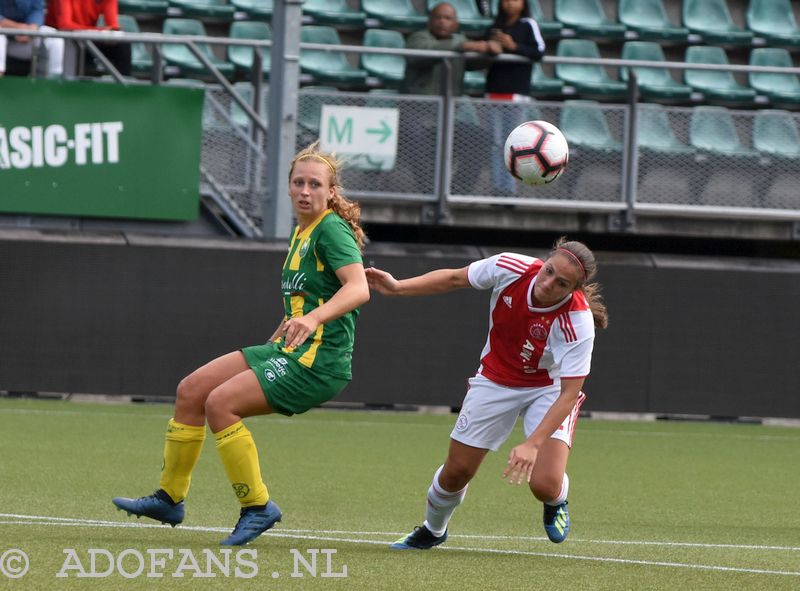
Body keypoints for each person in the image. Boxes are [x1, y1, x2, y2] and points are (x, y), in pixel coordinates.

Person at [112, 142, 370, 546]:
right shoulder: (302, 230)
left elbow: (359, 289)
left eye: (315, 184)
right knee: (191, 390)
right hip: (291, 349)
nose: (305, 190)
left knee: (220, 404)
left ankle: (257, 507)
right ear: (288, 187)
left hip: (319, 362)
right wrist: (283, 331)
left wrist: (313, 318)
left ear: (331, 192)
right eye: (298, 182)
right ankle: (169, 498)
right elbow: (307, 300)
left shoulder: (331, 229)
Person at [365, 237, 608, 549]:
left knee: (544, 484)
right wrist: (398, 286)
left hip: (548, 389)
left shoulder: (578, 320)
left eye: (561, 283)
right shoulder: (510, 266)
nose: (548, 284)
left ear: (573, 290)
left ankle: (556, 500)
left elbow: (569, 393)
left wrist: (532, 444)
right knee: (457, 472)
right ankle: (433, 530)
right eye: (548, 272)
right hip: (496, 379)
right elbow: (454, 278)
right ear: (544, 261)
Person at [400, 2, 500, 195]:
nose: (442, 22)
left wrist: (491, 52)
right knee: (415, 137)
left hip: (444, 121)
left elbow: (476, 61)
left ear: (456, 23)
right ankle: (429, 190)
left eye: (448, 18)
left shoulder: (459, 43)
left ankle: (457, 191)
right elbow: (422, 54)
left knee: (480, 138)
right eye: (438, 17)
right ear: (429, 21)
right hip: (413, 118)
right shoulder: (418, 38)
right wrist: (463, 45)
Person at [484, 0, 545, 194]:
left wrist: (514, 46)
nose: (510, 3)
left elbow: (539, 51)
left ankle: (509, 189)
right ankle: (497, 187)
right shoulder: (495, 26)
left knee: (513, 143)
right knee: (495, 142)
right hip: (494, 91)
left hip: (516, 93)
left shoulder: (528, 24)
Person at [45, 0, 131, 76]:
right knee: (66, 44)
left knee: (122, 44)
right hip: (61, 38)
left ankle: (123, 87)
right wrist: (99, 30)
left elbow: (113, 26)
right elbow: (64, 25)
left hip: (87, 38)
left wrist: (110, 31)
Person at [0, 0, 65, 77]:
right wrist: (19, 28)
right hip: (6, 39)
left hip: (27, 39)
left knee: (55, 38)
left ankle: (55, 79)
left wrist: (32, 28)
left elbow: (37, 11)